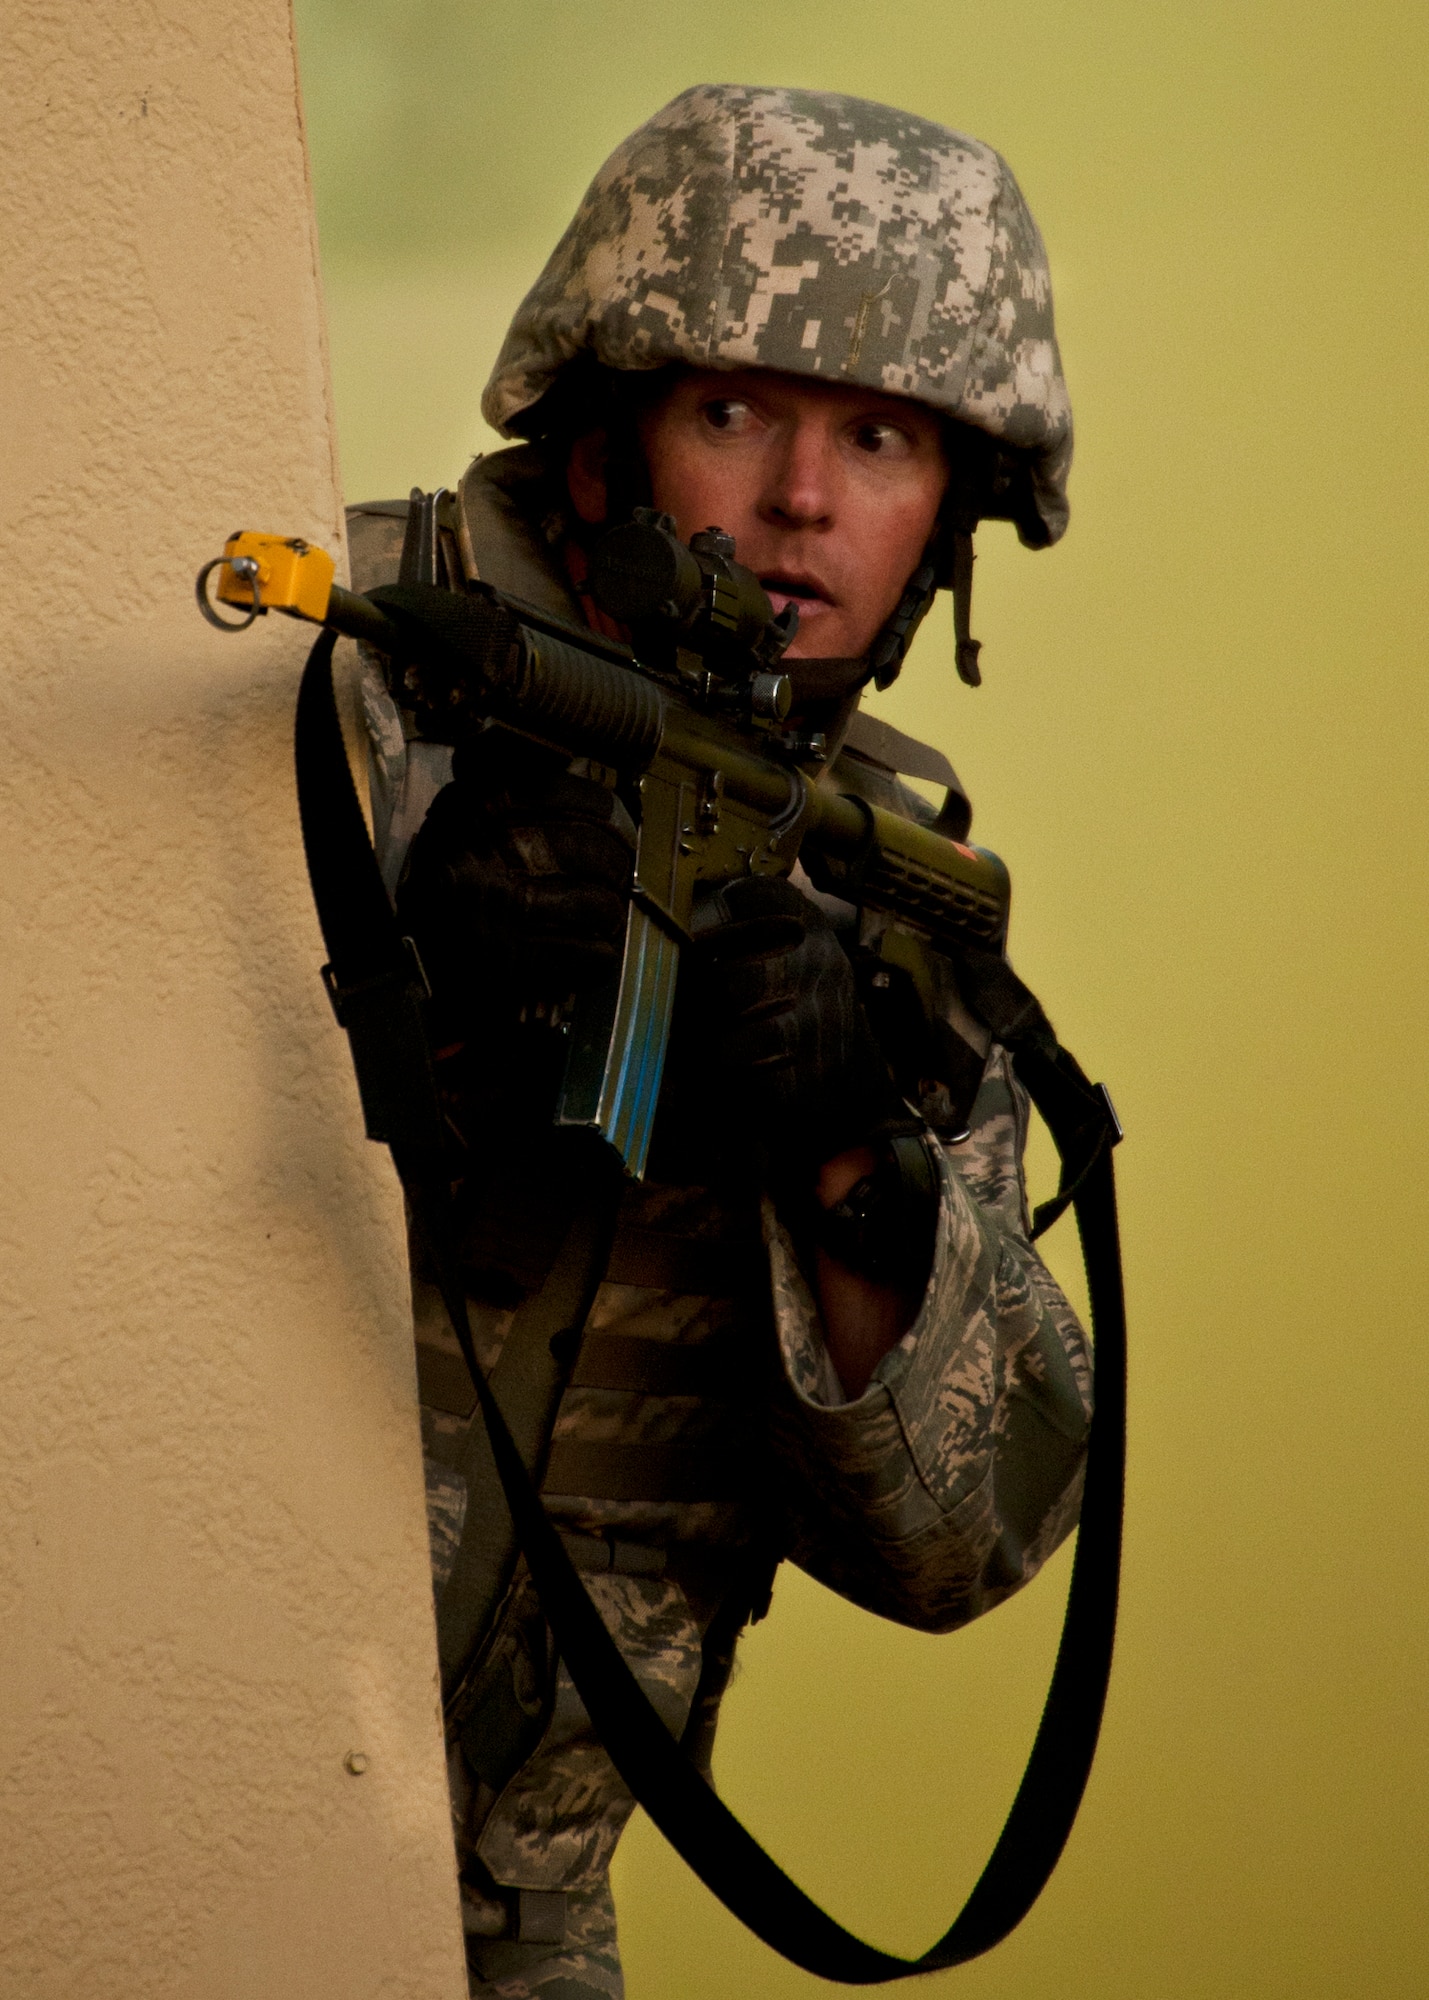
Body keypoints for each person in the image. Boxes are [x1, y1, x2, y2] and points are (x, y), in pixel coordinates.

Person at [347, 83, 1091, 2000]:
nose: (803, 504)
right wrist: (369, 969)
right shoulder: (358, 676)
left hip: (512, 1934)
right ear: (603, 440)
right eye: (734, 410)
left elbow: (965, 1546)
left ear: (951, 518)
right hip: (133, 1780)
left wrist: (848, 1150)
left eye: (882, 437)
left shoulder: (887, 885)